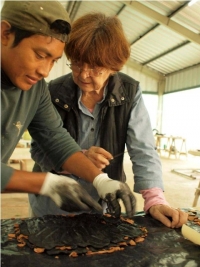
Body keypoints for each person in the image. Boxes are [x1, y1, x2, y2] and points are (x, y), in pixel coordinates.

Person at [30, 12, 188, 227]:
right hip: (55, 204)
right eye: (76, 63)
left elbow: (143, 149)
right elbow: (39, 149)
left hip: (103, 201)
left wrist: (154, 198)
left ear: (114, 66)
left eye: (95, 67)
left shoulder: (129, 92)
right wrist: (80, 158)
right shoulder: (54, 91)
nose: (83, 74)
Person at [1, 1, 136, 217]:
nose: (45, 71)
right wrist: (45, 183)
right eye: (40, 55)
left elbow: (55, 138)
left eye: (54, 60)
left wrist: (100, 179)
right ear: (5, 33)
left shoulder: (35, 90)